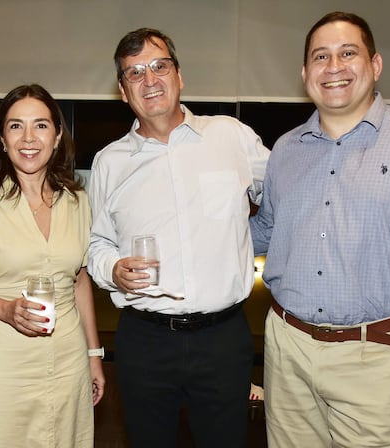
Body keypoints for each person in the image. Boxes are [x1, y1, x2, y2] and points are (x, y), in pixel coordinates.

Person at [250, 11, 390, 447]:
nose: (333, 67)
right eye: (321, 56)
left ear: (375, 65)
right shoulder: (286, 150)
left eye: (347, 53)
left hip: (380, 357)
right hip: (288, 352)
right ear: (304, 73)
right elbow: (265, 232)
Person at [88, 28, 271, 447]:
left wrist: (251, 241)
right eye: (134, 73)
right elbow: (97, 243)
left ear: (180, 75)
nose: (149, 80)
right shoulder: (110, 162)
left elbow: (287, 197)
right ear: (122, 91)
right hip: (144, 341)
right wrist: (113, 269)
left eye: (159, 66)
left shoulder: (230, 136)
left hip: (222, 339)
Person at [0, 84, 105, 447]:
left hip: (69, 358)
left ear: (57, 137)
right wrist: (4, 309)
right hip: (4, 361)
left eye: (41, 126)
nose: (29, 138)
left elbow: (79, 280)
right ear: (1, 138)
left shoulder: (77, 200)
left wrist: (94, 355)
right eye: (15, 126)